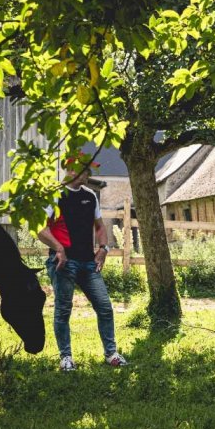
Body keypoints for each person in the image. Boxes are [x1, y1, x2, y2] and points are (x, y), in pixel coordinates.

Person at [38, 151, 128, 371]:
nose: (87, 173)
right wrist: (58, 248)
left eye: (88, 169)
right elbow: (40, 229)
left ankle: (111, 353)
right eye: (83, 169)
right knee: (63, 310)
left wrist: (104, 248)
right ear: (70, 170)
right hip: (64, 263)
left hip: (88, 263)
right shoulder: (56, 195)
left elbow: (99, 226)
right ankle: (66, 357)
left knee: (105, 307)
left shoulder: (90, 196)